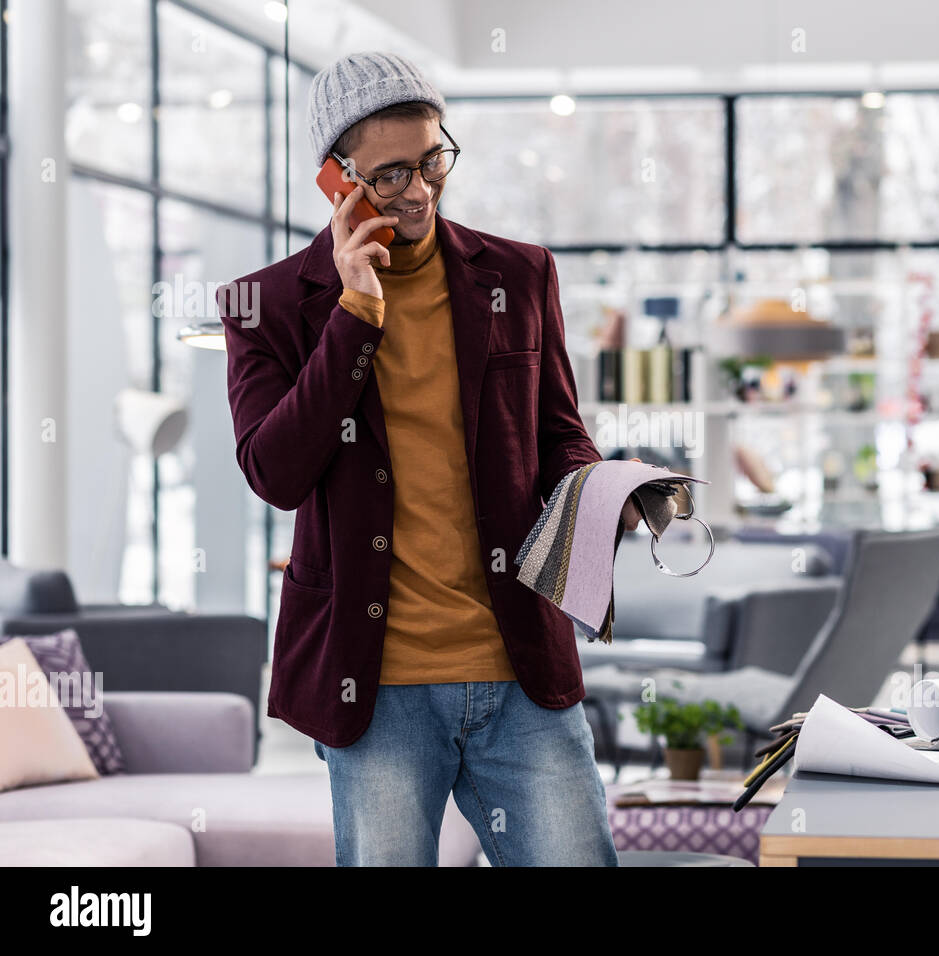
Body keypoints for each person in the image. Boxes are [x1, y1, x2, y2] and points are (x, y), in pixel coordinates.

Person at [217, 51, 636, 866]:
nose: (419, 190)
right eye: (390, 174)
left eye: (433, 159)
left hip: (522, 670)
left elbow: (558, 435)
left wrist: (607, 491)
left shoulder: (518, 273)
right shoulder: (264, 306)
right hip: (372, 688)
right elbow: (275, 471)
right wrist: (354, 314)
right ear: (335, 182)